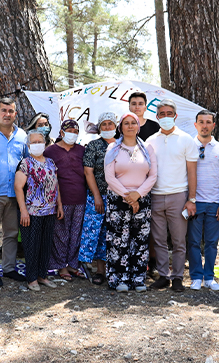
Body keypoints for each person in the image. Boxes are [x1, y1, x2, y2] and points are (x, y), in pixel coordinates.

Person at [145, 99, 198, 292]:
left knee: (178, 240)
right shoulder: (150, 141)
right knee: (158, 239)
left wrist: (191, 199)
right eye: (162, 114)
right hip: (156, 196)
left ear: (175, 116)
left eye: (169, 113)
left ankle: (177, 277)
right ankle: (163, 276)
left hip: (178, 196)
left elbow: (192, 172)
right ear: (157, 117)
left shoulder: (186, 139)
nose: (165, 117)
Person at [104, 112, 158, 292]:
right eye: (125, 123)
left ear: (138, 126)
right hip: (118, 199)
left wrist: (138, 195)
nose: (129, 126)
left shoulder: (147, 148)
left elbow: (153, 175)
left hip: (142, 199)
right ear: (120, 127)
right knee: (118, 240)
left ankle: (138, 279)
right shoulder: (112, 148)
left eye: (132, 123)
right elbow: (110, 177)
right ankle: (120, 279)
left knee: (140, 240)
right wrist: (128, 196)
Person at [0, 97, 28, 287]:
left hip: (15, 194)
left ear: (15, 114)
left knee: (11, 233)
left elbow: (27, 163)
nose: (7, 114)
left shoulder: (22, 136)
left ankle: (9, 268)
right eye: (3, 110)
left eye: (10, 111)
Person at [14, 131, 64, 291]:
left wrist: (59, 204)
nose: (37, 144)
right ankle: (32, 279)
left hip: (49, 212)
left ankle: (43, 275)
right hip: (32, 213)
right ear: (28, 146)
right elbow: (18, 187)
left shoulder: (50, 162)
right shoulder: (25, 163)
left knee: (45, 244)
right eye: (34, 142)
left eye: (40, 141)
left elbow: (56, 185)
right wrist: (23, 210)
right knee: (32, 246)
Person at [187, 110, 219, 291]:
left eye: (208, 122)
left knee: (212, 243)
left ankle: (209, 277)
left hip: (214, 203)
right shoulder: (188, 146)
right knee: (194, 242)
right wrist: (189, 199)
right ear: (195, 125)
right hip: (194, 202)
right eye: (201, 122)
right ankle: (196, 277)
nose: (205, 125)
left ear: (214, 125)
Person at [44, 118, 87, 280]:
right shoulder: (50, 151)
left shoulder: (82, 150)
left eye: (75, 132)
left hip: (80, 199)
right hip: (61, 200)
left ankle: (72, 265)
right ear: (61, 133)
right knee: (60, 234)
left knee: (76, 234)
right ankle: (61, 267)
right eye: (69, 131)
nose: (72, 135)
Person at [78, 112, 117, 285]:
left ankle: (117, 271)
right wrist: (96, 197)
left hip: (120, 198)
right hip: (98, 196)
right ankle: (100, 271)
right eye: (104, 124)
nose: (108, 127)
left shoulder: (123, 144)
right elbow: (88, 172)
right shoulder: (93, 146)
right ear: (99, 127)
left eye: (111, 124)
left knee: (116, 234)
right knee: (99, 234)